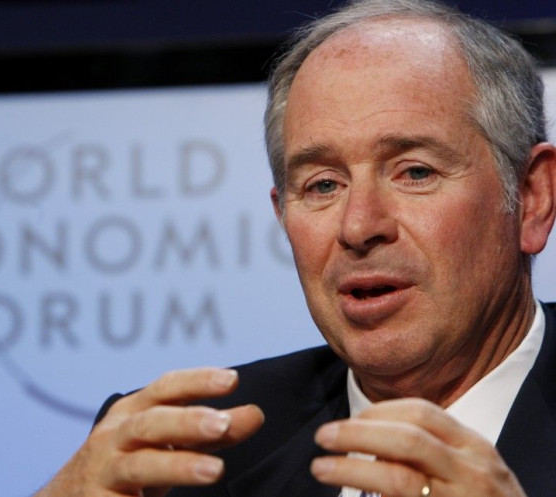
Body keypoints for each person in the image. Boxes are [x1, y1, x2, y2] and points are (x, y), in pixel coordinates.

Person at [35, 0, 556, 495]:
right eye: (323, 185)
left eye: (415, 172)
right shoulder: (182, 461)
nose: (359, 226)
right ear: (282, 214)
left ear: (532, 199)